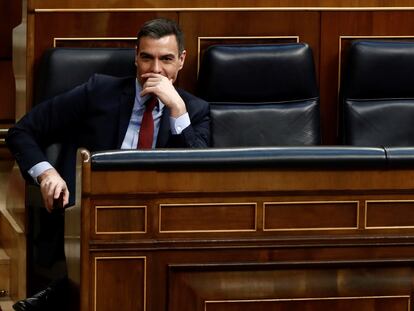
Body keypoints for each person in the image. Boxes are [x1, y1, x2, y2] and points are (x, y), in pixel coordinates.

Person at [6, 18, 210, 311]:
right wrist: (47, 173)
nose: (155, 70)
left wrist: (177, 109)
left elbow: (200, 175)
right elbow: (22, 131)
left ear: (181, 61)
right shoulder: (99, 91)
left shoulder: (196, 111)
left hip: (160, 219)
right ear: (135, 58)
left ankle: (58, 296)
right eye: (146, 58)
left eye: (166, 59)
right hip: (94, 212)